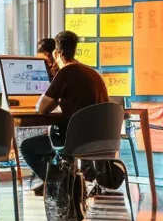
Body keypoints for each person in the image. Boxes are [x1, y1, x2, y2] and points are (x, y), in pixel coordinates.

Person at [19, 30, 108, 187]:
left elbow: (41, 108)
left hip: (76, 140)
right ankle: (65, 182)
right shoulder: (92, 72)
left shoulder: (66, 71)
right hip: (101, 140)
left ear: (56, 53)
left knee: (27, 146)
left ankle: (58, 186)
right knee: (53, 138)